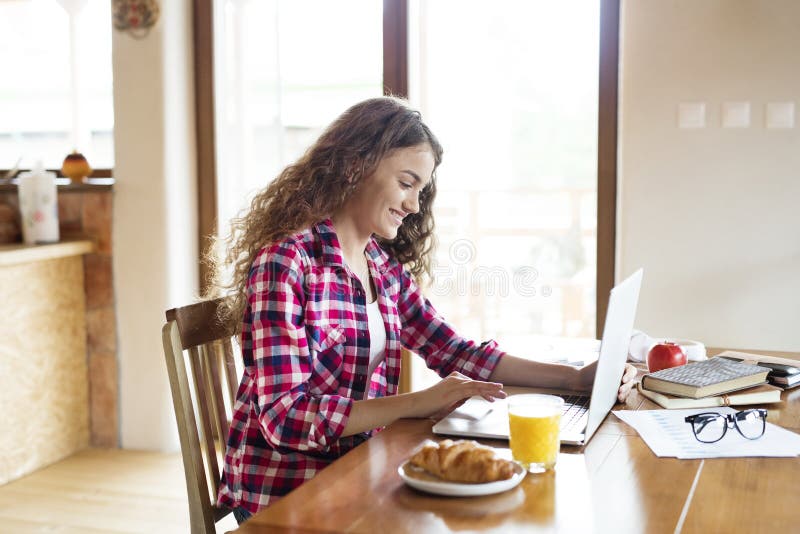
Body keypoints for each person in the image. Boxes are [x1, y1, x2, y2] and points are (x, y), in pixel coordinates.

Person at [211, 96, 637, 522]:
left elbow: (457, 352)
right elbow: (284, 418)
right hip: (288, 493)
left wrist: (577, 379)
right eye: (406, 182)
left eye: (421, 190)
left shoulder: (380, 265)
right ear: (355, 165)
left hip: (358, 470)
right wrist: (421, 402)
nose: (414, 205)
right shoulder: (287, 262)